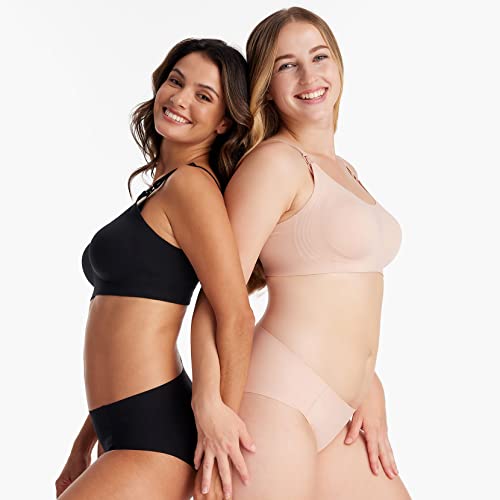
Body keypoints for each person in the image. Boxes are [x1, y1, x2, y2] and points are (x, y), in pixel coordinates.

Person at [191, 7, 411, 499]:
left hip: (344, 409)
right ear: (267, 86)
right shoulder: (275, 164)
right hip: (277, 399)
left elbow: (341, 292)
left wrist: (369, 384)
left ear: (338, 64)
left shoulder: (344, 169)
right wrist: (208, 406)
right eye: (287, 65)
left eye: (319, 57)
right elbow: (216, 297)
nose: (309, 77)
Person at [55, 38, 256, 500]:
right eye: (176, 81)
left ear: (224, 121)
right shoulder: (162, 189)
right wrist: (82, 443)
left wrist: (220, 430)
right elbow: (123, 331)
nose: (180, 99)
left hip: (155, 436)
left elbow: (235, 315)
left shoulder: (191, 187)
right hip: (119, 429)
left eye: (203, 95)